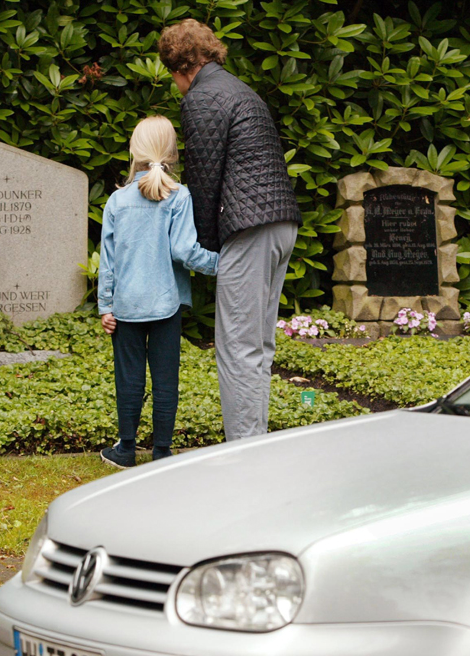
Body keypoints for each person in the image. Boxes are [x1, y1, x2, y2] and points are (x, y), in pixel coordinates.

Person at [158, 20, 302, 441]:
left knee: (237, 348)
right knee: (257, 346)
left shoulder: (202, 98)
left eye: (172, 74)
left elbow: (203, 180)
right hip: (280, 224)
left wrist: (204, 246)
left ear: (181, 65)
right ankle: (253, 442)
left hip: (248, 228)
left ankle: (242, 454)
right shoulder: (241, 90)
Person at [97, 115, 219, 469]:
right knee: (166, 378)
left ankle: (126, 450)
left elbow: (108, 261)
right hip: (166, 305)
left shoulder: (117, 201)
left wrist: (106, 305)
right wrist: (223, 264)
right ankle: (162, 451)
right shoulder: (179, 197)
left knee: (129, 377)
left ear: (134, 151)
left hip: (125, 307)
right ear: (172, 153)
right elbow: (185, 251)